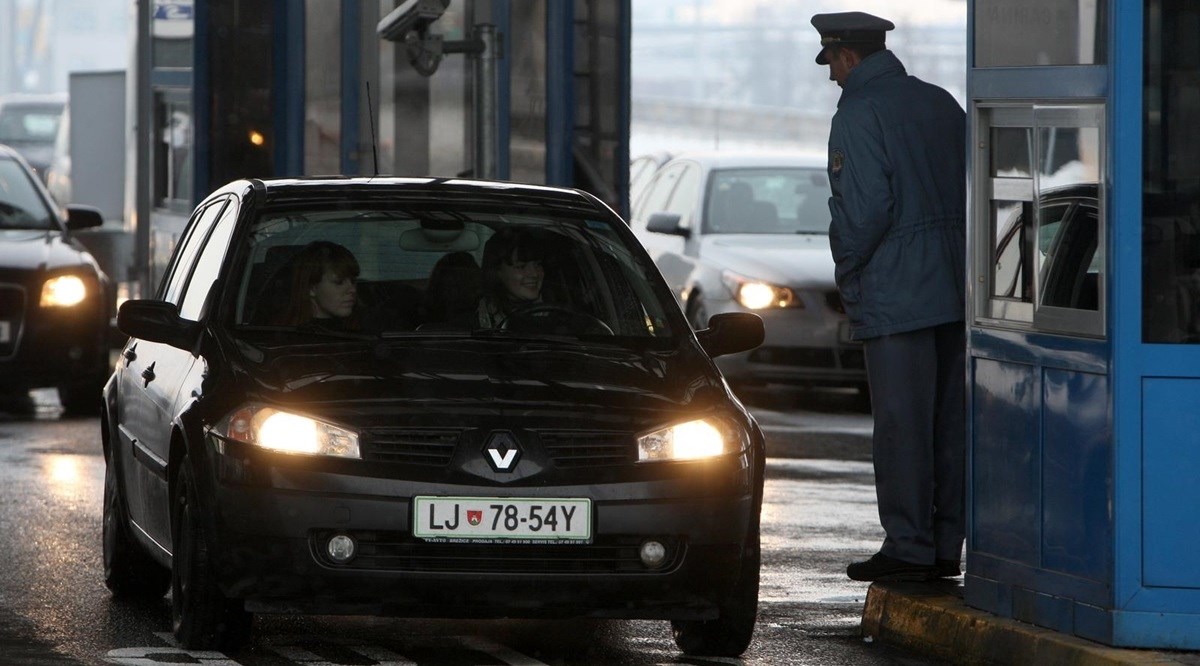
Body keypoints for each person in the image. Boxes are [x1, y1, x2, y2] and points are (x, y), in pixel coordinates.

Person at [811, 11, 967, 582]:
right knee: (949, 424)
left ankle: (907, 545)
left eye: (832, 65)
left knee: (902, 425)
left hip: (897, 292)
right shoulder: (940, 103)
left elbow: (864, 210)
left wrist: (848, 276)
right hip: (955, 290)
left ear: (848, 56)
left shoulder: (858, 112)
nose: (831, 77)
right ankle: (947, 543)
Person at [275, 240, 363, 330]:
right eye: (339, 282)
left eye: (353, 281)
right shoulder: (287, 335)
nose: (353, 290)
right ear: (311, 288)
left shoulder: (365, 330)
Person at [476, 227, 546, 328]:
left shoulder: (562, 319)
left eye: (538, 264)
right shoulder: (468, 327)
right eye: (521, 266)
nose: (534, 274)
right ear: (497, 272)